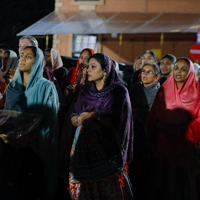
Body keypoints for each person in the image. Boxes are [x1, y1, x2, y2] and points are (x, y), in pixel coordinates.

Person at [68, 53, 134, 199]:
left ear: (105, 70)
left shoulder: (118, 91)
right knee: (84, 188)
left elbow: (121, 123)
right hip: (82, 148)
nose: (87, 70)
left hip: (107, 149)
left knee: (108, 189)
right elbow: (73, 117)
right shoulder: (85, 90)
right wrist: (79, 119)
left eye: (93, 67)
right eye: (86, 67)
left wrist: (96, 116)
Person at [1, 46, 59, 200]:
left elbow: (50, 122)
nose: (23, 59)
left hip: (35, 150)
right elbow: (8, 117)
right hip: (11, 149)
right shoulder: (13, 87)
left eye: (29, 56)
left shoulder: (46, 87)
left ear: (37, 61)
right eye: (22, 55)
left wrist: (31, 136)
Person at [147, 57, 200, 200]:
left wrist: (184, 130)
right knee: (162, 181)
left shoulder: (197, 91)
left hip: (185, 144)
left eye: (184, 69)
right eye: (177, 68)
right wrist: (156, 131)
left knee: (182, 184)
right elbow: (153, 115)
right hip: (163, 142)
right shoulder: (164, 90)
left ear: (189, 72)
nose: (179, 71)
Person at [57, 48, 95, 199]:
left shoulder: (95, 92)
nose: (85, 69)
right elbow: (63, 111)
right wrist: (67, 97)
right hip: (68, 129)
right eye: (83, 60)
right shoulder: (74, 87)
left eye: (90, 65)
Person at [129, 63, 160, 200]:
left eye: (150, 72)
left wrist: (140, 113)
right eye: (143, 71)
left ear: (157, 77)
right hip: (135, 135)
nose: (145, 74)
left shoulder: (161, 93)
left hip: (152, 136)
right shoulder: (136, 89)